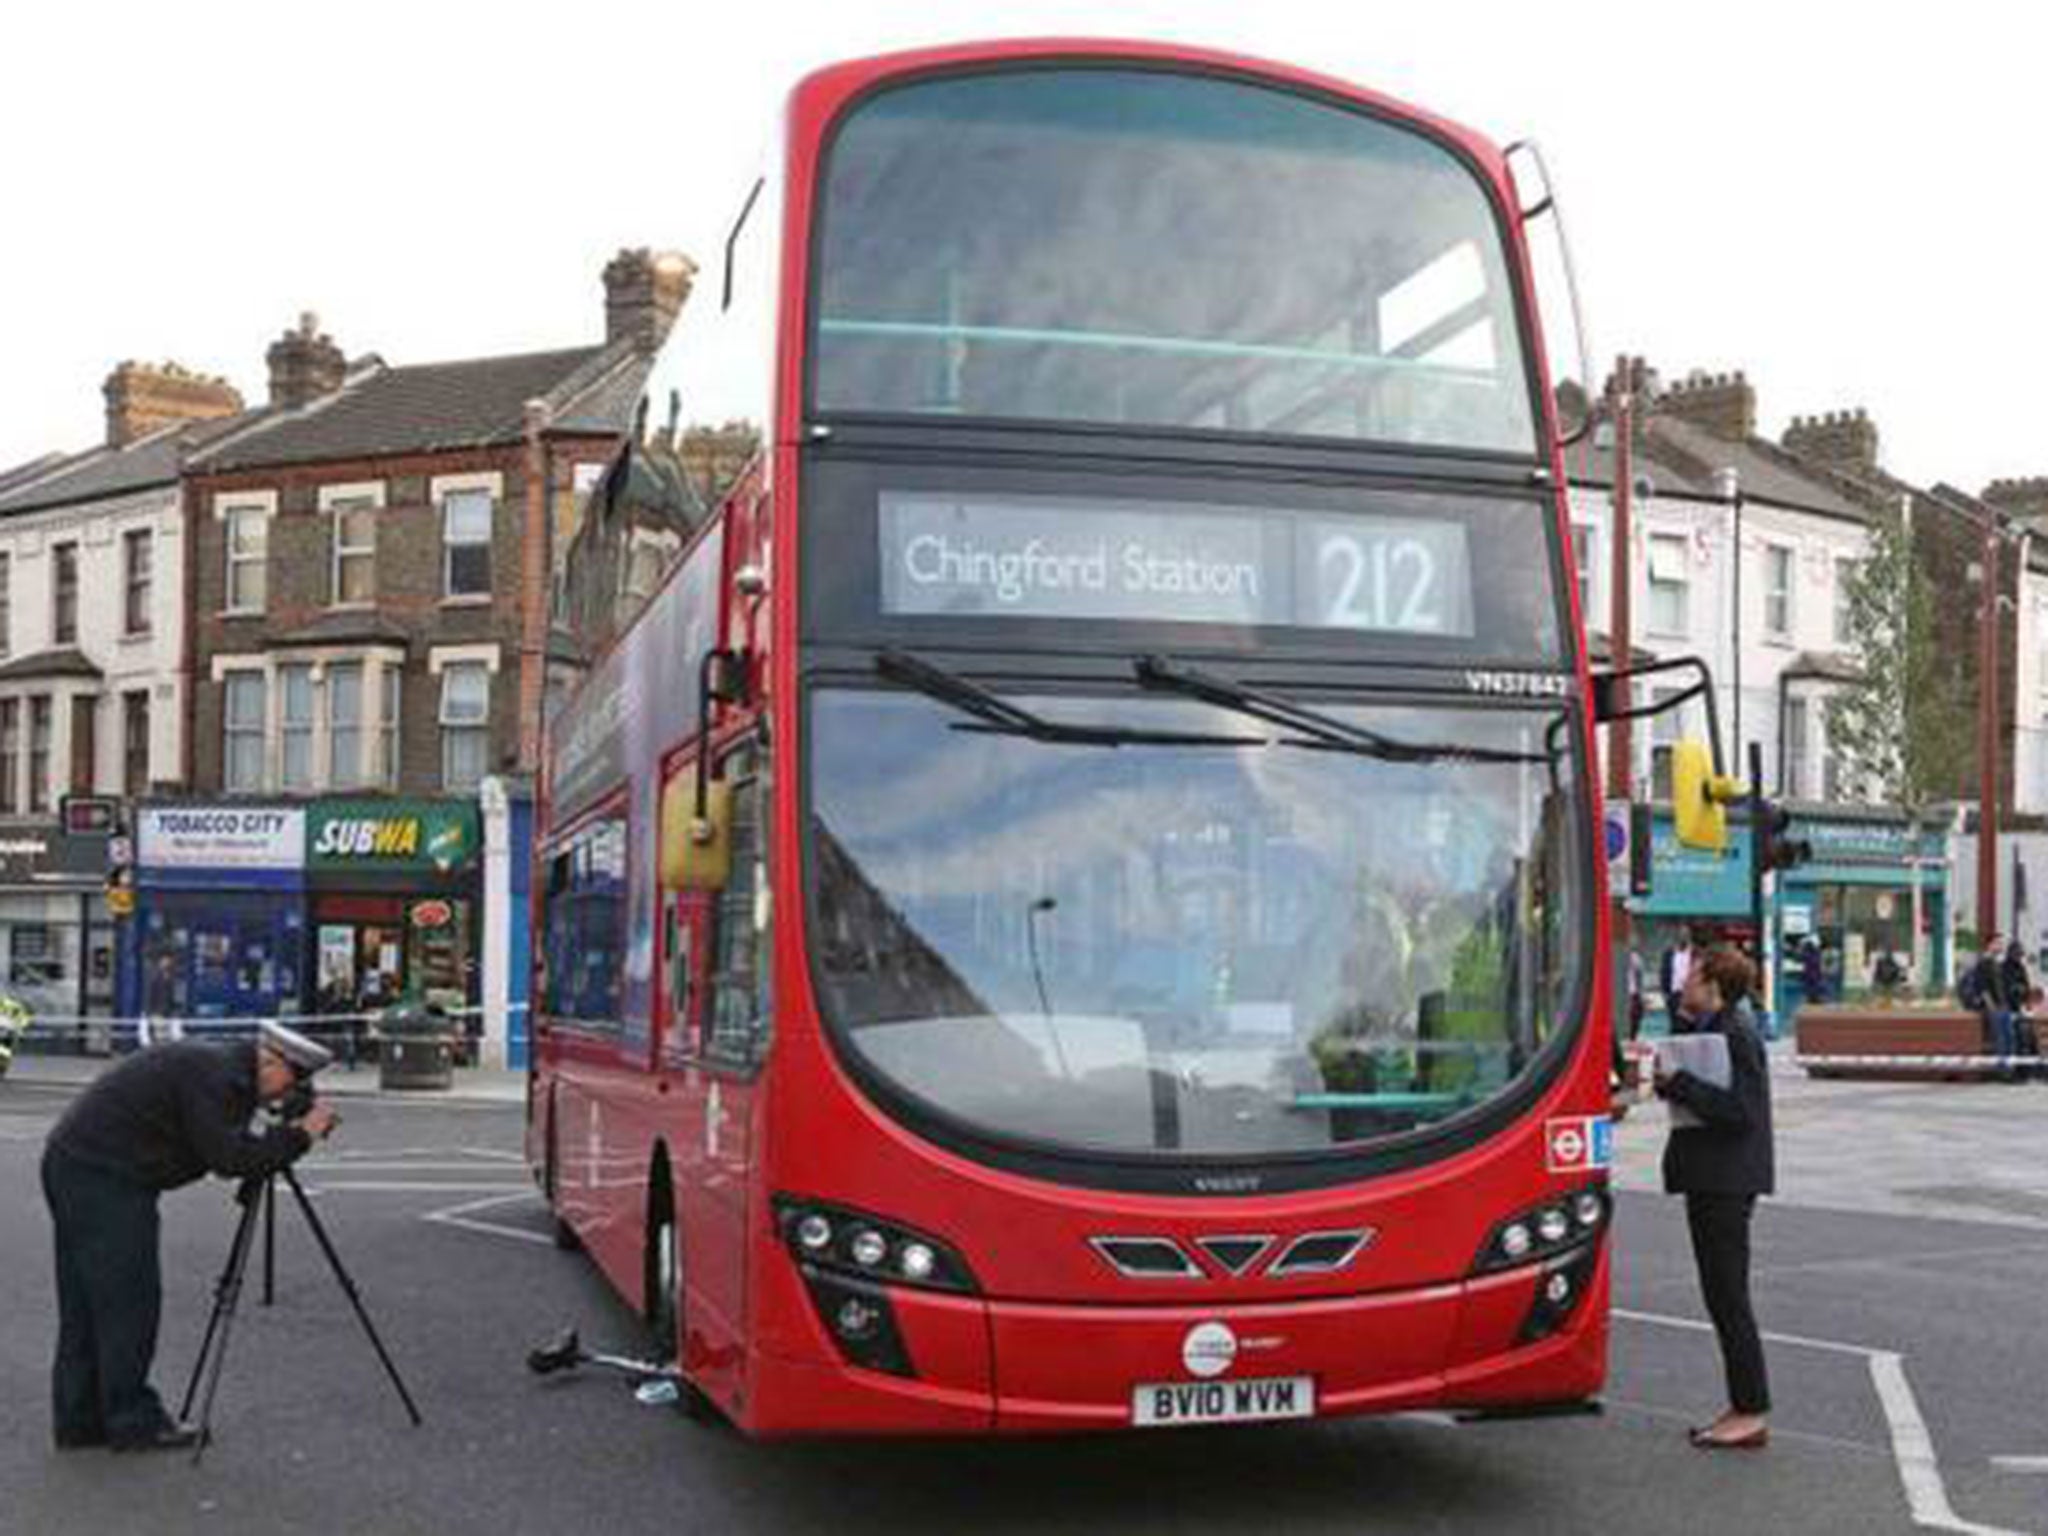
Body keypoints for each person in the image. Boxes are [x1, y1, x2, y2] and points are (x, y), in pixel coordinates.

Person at [41, 1022, 337, 1452]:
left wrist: (281, 1134)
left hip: (78, 1165)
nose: (283, 1097)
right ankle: (132, 1421)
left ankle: (80, 1421)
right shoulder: (216, 1077)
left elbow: (222, 1143)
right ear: (271, 1063)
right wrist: (300, 1135)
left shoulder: (218, 1069)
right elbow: (231, 1158)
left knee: (88, 1303)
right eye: (293, 1082)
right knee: (128, 1302)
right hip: (105, 1177)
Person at [1656, 945, 1775, 1450]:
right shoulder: (1718, 1029)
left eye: (1692, 979)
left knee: (1729, 1298)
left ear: (1714, 986)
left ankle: (1750, 1411)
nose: (1684, 984)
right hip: (1713, 1178)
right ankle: (1741, 1405)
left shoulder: (1737, 1035)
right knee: (1720, 1296)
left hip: (1726, 1181)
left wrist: (1680, 1082)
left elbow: (1739, 1111)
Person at [1960, 934, 2019, 1076]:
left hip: (2004, 1005)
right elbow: (1983, 987)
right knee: (2000, 1038)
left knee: (2010, 1036)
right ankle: (2003, 1070)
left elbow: (2004, 986)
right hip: (1994, 1007)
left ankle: (2011, 1068)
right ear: (1990, 944)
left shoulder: (1999, 964)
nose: (2000, 946)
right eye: (1997, 943)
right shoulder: (1983, 963)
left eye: (2001, 943)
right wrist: (1991, 1005)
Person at [1660, 932, 1699, 1025]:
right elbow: (1664, 973)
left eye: (1685, 936)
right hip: (1674, 995)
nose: (1683, 938)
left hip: (1690, 995)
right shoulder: (1669, 954)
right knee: (1675, 1024)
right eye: (1681, 936)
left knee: (1691, 1024)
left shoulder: (1695, 953)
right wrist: (1666, 994)